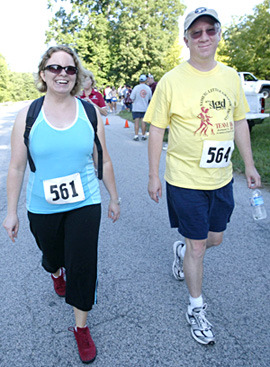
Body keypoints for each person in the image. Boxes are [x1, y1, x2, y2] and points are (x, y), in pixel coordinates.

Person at [145, 7, 261, 346]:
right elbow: (155, 129)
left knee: (214, 240)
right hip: (184, 179)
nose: (204, 37)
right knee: (199, 247)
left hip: (222, 178)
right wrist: (154, 174)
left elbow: (240, 121)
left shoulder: (230, 76)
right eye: (196, 33)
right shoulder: (171, 81)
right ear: (186, 40)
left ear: (219, 34)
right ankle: (196, 307)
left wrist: (250, 165)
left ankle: (181, 249)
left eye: (210, 30)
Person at [2, 45, 120, 363]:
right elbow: (16, 167)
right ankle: (55, 271)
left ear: (76, 76)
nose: (62, 74)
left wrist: (113, 196)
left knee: (83, 264)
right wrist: (11, 212)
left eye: (69, 69)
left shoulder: (89, 112)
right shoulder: (29, 115)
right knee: (53, 256)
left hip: (85, 201)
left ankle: (81, 328)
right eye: (55, 68)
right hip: (43, 206)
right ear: (43, 74)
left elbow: (102, 158)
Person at [130, 74, 152, 141]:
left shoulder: (136, 88)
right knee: (143, 122)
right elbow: (150, 98)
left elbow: (132, 98)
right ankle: (143, 135)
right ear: (145, 80)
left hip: (136, 107)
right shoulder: (148, 88)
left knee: (136, 122)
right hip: (145, 108)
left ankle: (136, 135)